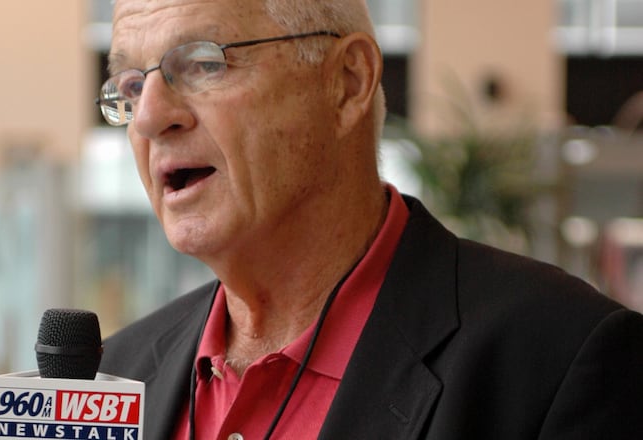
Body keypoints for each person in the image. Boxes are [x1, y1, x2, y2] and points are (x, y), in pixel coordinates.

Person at [96, 0, 643, 439]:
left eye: (202, 63)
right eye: (131, 86)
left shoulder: (559, 360)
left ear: (348, 82)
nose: (148, 118)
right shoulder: (113, 374)